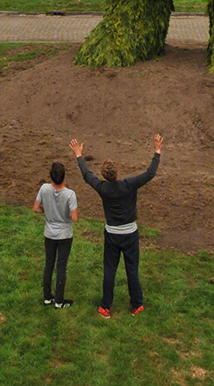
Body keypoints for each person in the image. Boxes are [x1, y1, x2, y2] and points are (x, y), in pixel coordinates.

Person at [70, 134, 162, 318]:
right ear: (117, 173)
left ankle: (105, 307)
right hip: (130, 235)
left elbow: (87, 176)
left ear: (104, 176)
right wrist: (157, 150)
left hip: (112, 235)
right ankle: (137, 305)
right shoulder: (129, 184)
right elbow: (150, 173)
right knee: (132, 270)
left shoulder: (103, 188)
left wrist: (78, 155)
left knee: (109, 270)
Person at [33, 161, 78, 308]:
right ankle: (59, 301)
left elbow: (35, 208)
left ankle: (47, 297)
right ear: (64, 176)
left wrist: (47, 212)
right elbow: (75, 218)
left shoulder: (44, 188)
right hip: (64, 235)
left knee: (49, 265)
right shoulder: (70, 194)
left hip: (49, 234)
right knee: (61, 267)